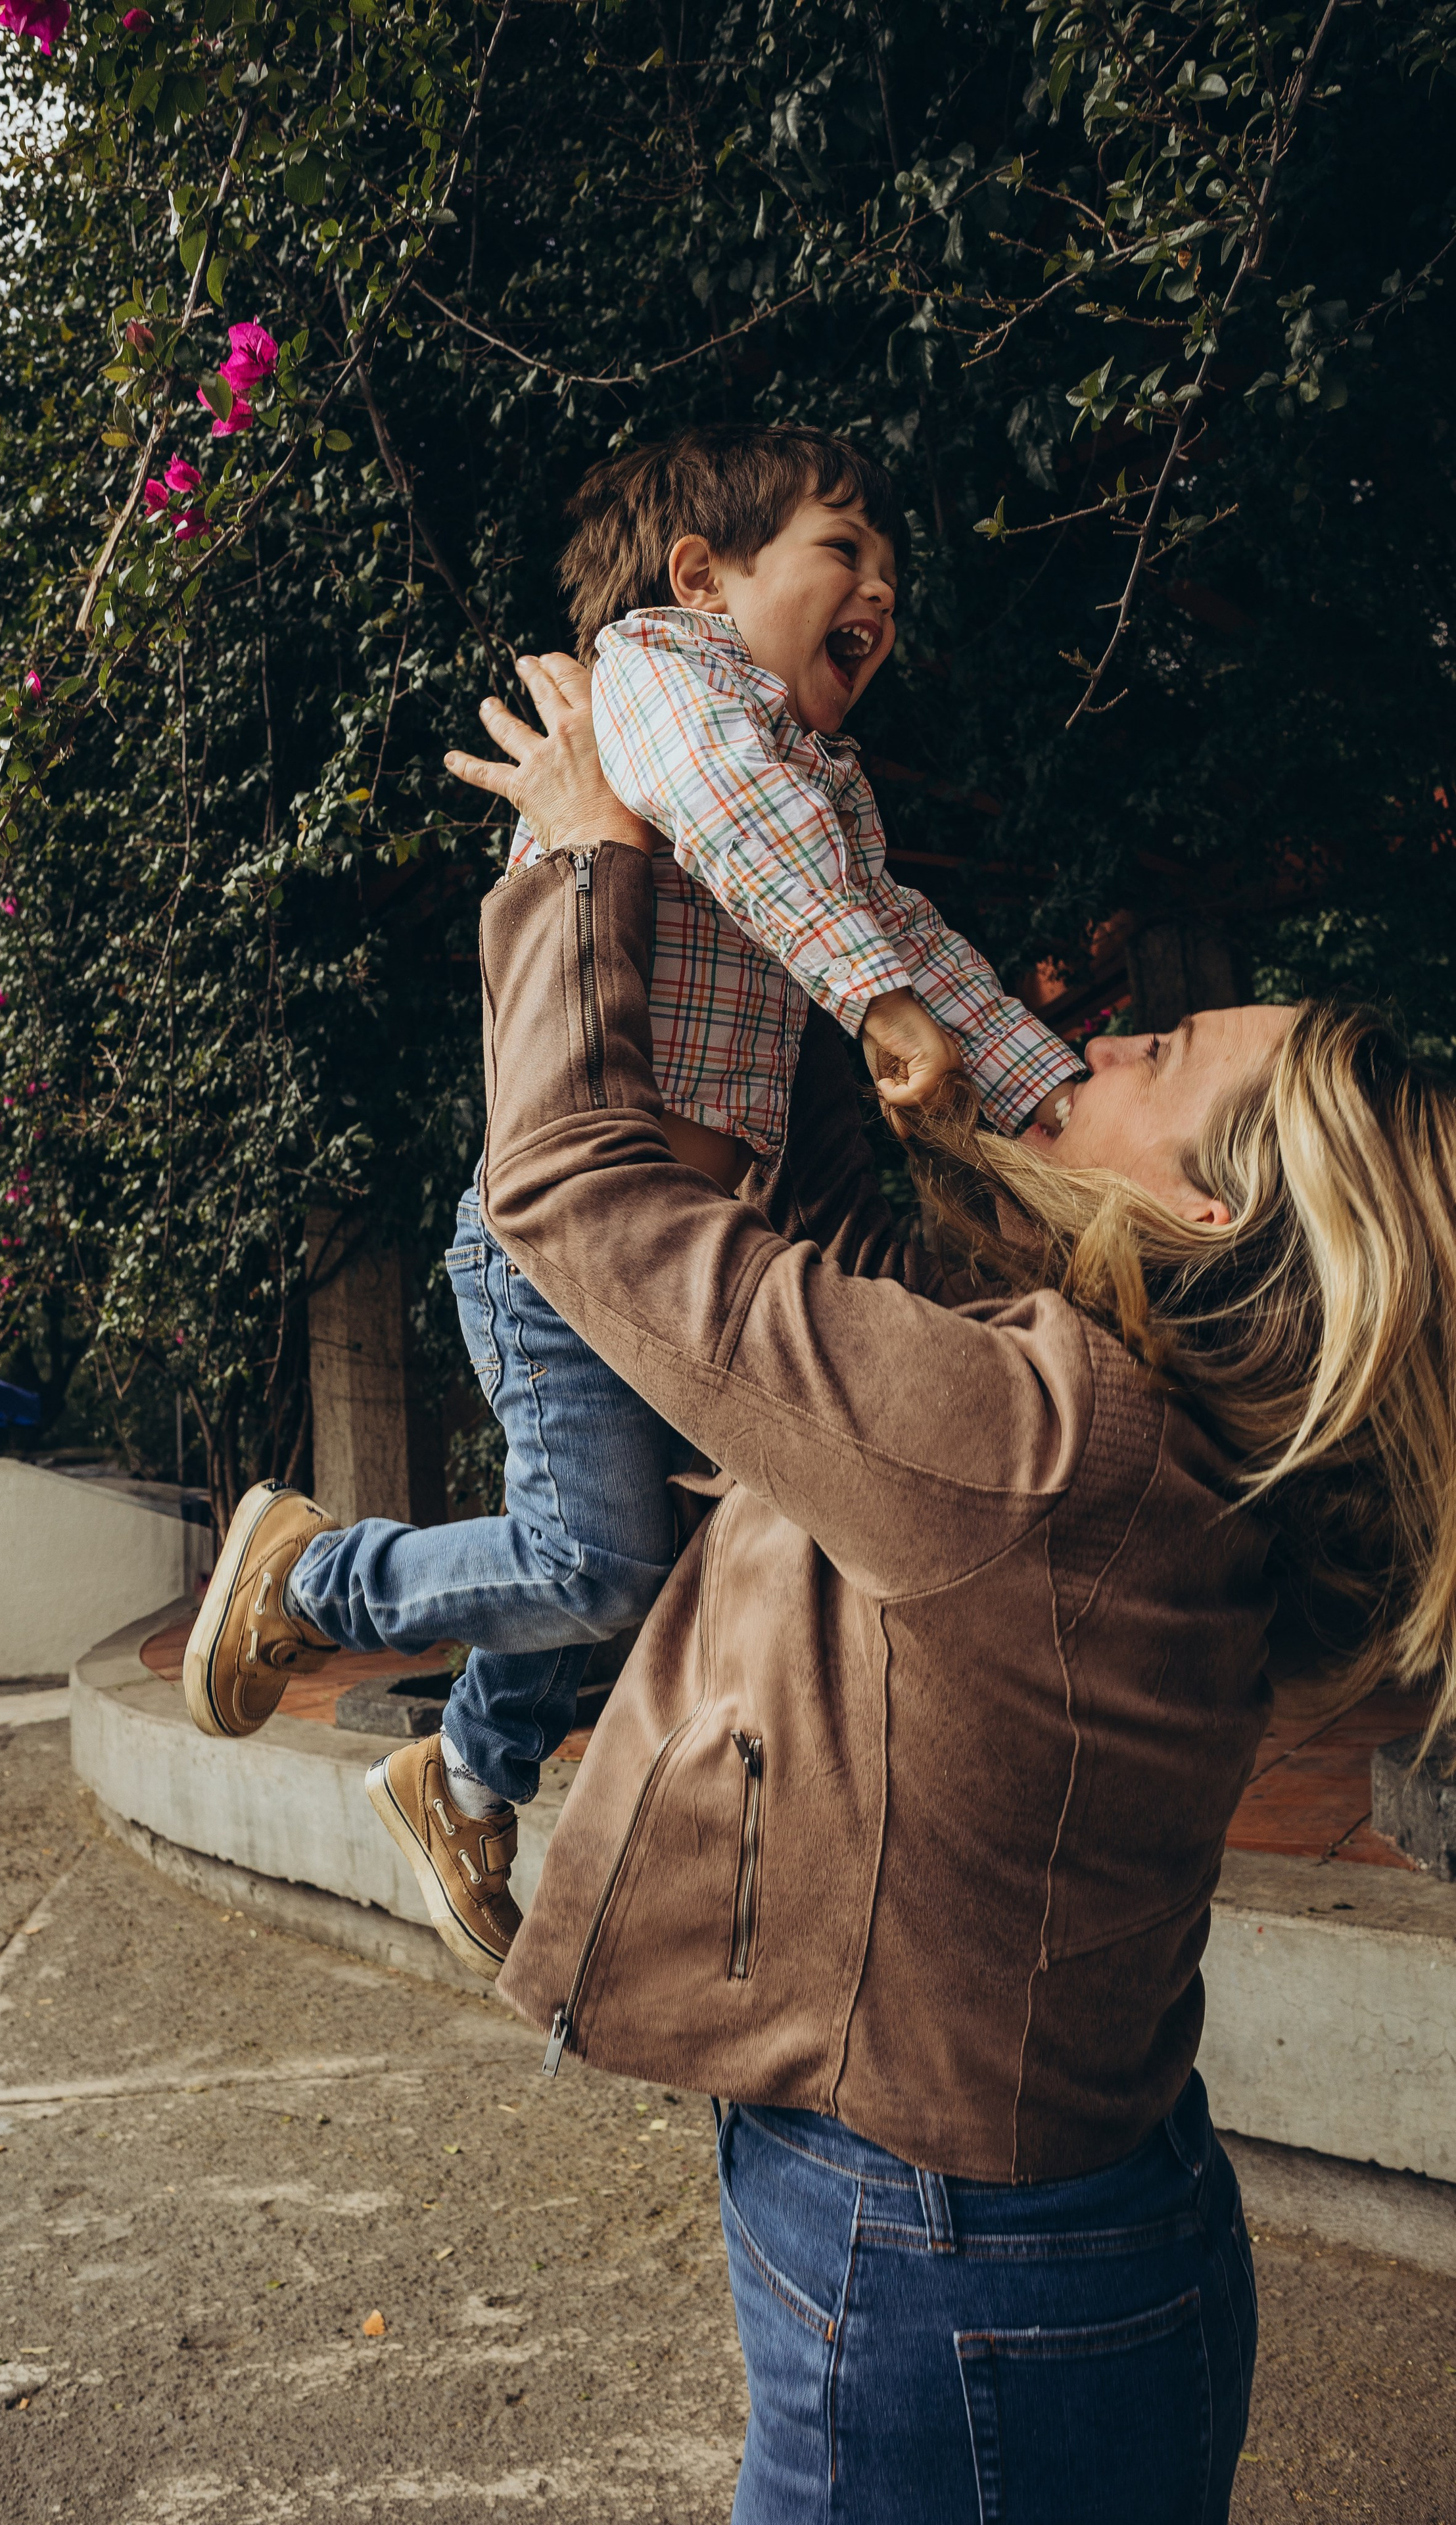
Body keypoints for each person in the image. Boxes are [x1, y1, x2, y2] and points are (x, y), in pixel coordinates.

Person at [427, 655, 1450, 2521]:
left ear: (1209, 1214)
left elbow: (576, 1194)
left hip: (944, 2274)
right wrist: (808, 929)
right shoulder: (1129, 1432)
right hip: (1049, 2233)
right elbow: (823, 1247)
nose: (1109, 1039)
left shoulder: (1037, 1448)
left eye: (1161, 1053)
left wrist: (587, 864)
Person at [182, 425, 1083, 1982]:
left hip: (669, 1260)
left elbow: (905, 931)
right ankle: (309, 1573)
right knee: (598, 1560)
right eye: (842, 550)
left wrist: (1050, 1097)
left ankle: (462, 1776)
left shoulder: (825, 787)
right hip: (559, 1240)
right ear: (700, 575)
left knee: (637, 1558)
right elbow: (738, 820)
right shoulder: (657, 680)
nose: (878, 591)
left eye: (889, 574)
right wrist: (871, 1006)